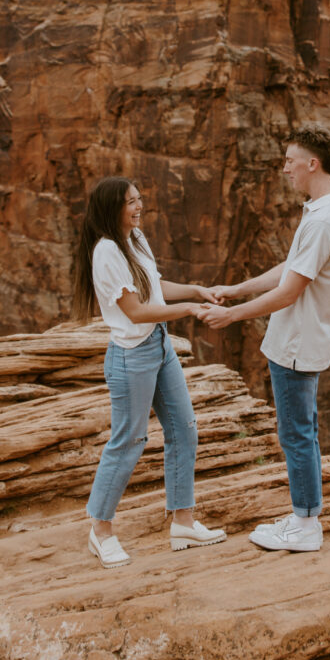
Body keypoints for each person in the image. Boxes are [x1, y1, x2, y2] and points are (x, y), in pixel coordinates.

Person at [199, 125, 330, 552]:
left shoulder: (323, 221)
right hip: (297, 340)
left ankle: (305, 525)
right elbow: (291, 267)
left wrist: (231, 314)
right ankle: (305, 514)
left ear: (312, 164)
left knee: (296, 434)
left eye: (290, 161)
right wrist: (237, 288)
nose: (285, 169)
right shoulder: (324, 210)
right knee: (301, 431)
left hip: (297, 344)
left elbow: (289, 291)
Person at [73, 176, 226, 568]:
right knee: (129, 441)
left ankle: (184, 522)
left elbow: (153, 287)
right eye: (131, 202)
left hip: (158, 346)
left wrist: (195, 290)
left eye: (140, 199)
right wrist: (190, 311)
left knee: (184, 429)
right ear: (113, 208)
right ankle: (100, 530)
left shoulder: (135, 238)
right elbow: (137, 311)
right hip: (130, 357)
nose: (139, 207)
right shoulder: (106, 252)